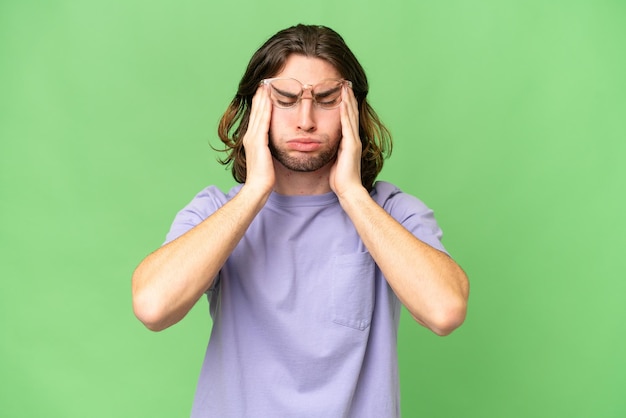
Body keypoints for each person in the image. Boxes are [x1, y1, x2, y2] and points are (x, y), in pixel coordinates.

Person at [132, 24, 469, 417]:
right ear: (257, 109)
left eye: (326, 99)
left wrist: (352, 193)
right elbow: (153, 307)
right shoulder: (214, 212)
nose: (305, 120)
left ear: (352, 112)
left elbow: (445, 311)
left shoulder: (391, 210)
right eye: (286, 99)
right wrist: (256, 190)